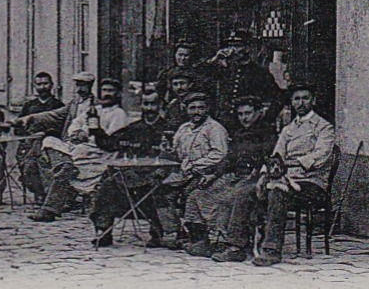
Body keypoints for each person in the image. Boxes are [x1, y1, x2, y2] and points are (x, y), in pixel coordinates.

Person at [251, 84, 336, 267]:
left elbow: (320, 156)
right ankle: (240, 244)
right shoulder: (288, 129)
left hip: (311, 183)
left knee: (278, 193)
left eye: (305, 98)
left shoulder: (324, 127)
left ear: (313, 100)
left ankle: (271, 250)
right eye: (296, 99)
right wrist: (263, 175)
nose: (301, 103)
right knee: (251, 191)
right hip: (285, 179)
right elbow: (277, 155)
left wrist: (290, 164)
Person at [184, 96, 278, 262]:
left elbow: (271, 159)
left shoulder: (268, 134)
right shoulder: (239, 133)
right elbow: (229, 159)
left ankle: (235, 245)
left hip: (257, 177)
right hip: (235, 176)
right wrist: (213, 175)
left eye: (248, 113)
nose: (244, 117)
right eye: (240, 114)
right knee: (199, 194)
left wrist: (260, 173)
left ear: (258, 113)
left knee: (230, 198)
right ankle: (204, 240)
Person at [25, 77, 132, 222]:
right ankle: (64, 165)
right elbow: (76, 123)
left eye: (111, 91)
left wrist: (87, 135)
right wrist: (76, 133)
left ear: (118, 94)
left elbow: (111, 141)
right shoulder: (94, 110)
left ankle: (49, 209)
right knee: (49, 141)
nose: (106, 94)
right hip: (78, 149)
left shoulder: (119, 114)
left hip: (98, 156)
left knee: (63, 172)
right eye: (104, 90)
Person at [88, 91, 171, 247]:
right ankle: (104, 231)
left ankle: (158, 233)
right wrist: (96, 130)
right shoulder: (133, 128)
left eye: (153, 104)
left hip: (157, 175)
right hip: (132, 175)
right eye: (146, 104)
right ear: (141, 106)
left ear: (160, 106)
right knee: (107, 186)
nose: (149, 108)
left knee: (158, 189)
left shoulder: (168, 129)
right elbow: (109, 143)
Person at [156, 93, 229, 249]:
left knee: (190, 194)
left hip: (209, 173)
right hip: (185, 173)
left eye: (201, 108)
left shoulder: (214, 128)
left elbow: (220, 154)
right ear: (186, 110)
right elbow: (176, 153)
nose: (197, 112)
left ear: (207, 109)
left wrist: (197, 164)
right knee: (160, 191)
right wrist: (168, 150)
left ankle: (199, 237)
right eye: (192, 108)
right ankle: (175, 231)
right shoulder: (184, 128)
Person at [205, 29, 286, 126]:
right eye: (230, 46)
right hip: (225, 124)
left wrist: (264, 117)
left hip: (249, 125)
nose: (233, 50)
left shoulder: (259, 73)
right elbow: (199, 76)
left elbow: (278, 98)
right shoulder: (225, 70)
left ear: (248, 48)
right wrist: (214, 59)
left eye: (237, 46)